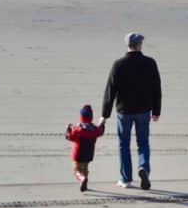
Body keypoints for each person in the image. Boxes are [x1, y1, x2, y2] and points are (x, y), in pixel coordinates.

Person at [101, 32, 161, 190]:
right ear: (140, 45)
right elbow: (156, 88)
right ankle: (143, 168)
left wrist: (104, 115)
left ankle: (125, 179)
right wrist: (157, 110)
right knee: (143, 143)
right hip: (143, 110)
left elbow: (110, 91)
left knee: (123, 144)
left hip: (124, 110)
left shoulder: (118, 64)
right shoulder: (150, 63)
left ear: (127, 45)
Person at [65, 104, 105, 192]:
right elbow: (101, 132)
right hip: (88, 155)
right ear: (91, 117)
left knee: (76, 171)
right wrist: (102, 123)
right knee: (85, 169)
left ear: (81, 117)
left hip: (78, 155)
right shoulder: (94, 129)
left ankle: (82, 179)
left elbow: (68, 137)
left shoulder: (77, 129)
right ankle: (84, 182)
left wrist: (68, 129)